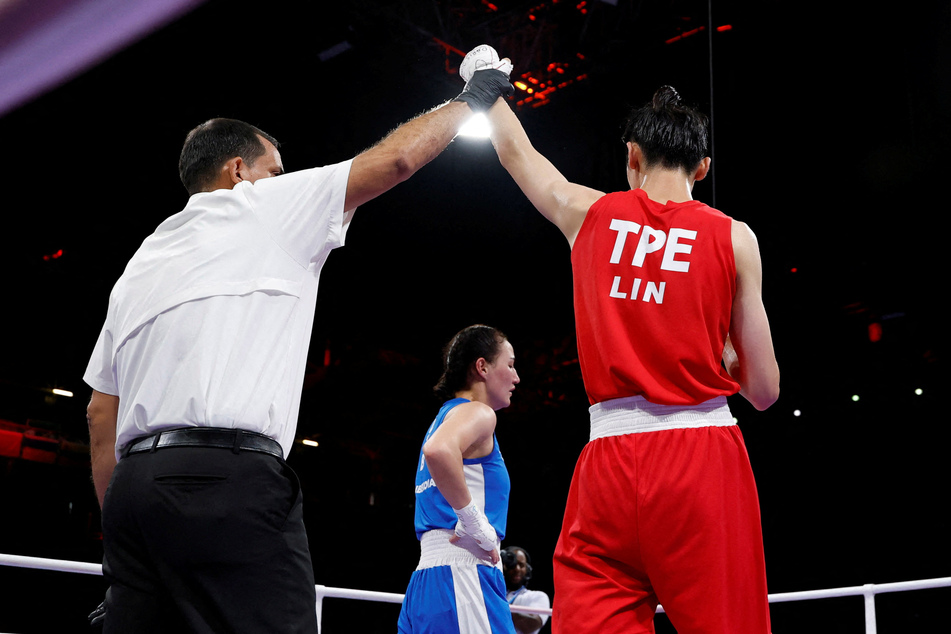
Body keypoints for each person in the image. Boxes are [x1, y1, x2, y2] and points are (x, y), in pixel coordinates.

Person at [82, 51, 514, 633]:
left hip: (133, 497)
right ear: (238, 170)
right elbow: (399, 159)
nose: (284, 182)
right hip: (227, 481)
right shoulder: (263, 205)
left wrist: (122, 534)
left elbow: (98, 413)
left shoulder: (139, 263)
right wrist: (475, 96)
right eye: (275, 170)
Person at [485, 83, 780, 634]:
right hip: (703, 460)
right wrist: (726, 356)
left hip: (609, 462)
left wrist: (486, 88)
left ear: (632, 156)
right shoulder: (735, 239)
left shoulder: (587, 213)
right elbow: (764, 391)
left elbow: (518, 155)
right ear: (703, 168)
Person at [397, 324, 521, 634]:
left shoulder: (443, 418)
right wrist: (473, 521)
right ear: (482, 367)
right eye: (509, 364)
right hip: (465, 578)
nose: (516, 377)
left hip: (427, 579)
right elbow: (438, 451)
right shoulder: (478, 413)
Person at [501, 546, 551, 634]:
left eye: (521, 565)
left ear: (527, 569)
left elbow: (530, 626)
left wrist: (495, 606)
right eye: (512, 564)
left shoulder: (536, 596)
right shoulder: (493, 593)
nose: (517, 569)